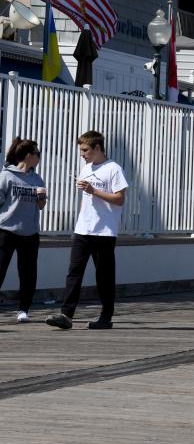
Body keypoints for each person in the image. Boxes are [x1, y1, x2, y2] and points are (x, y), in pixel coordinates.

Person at [46, 131, 128, 330]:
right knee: (74, 272)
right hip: (83, 230)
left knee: (104, 276)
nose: (82, 154)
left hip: (104, 232)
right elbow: (87, 201)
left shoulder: (113, 169)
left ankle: (106, 317)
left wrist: (95, 191)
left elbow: (119, 199)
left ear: (97, 148)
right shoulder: (86, 168)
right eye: (81, 150)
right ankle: (66, 315)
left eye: (85, 150)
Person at [0, 138, 46, 323]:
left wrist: (41, 199)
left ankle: (23, 309)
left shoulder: (37, 178)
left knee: (28, 273)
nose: (39, 158)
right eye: (38, 154)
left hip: (30, 234)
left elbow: (41, 206)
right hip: (6, 231)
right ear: (29, 156)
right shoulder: (6, 176)